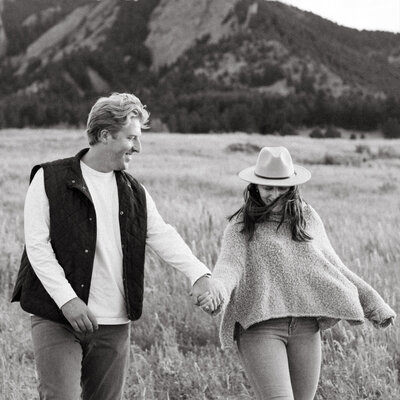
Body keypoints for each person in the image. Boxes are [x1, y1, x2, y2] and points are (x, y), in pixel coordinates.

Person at [11, 92, 222, 400]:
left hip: (114, 322)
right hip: (57, 316)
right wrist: (68, 301)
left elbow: (161, 234)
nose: (138, 147)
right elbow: (37, 247)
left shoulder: (134, 190)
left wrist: (199, 274)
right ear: (105, 135)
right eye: (131, 137)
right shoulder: (48, 178)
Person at [198, 146, 396, 400]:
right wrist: (218, 291)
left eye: (282, 188)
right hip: (260, 327)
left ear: (292, 186)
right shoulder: (240, 226)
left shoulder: (307, 217)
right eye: (268, 187)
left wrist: (373, 304)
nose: (275, 195)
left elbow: (334, 265)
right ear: (255, 186)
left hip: (305, 327)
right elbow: (229, 266)